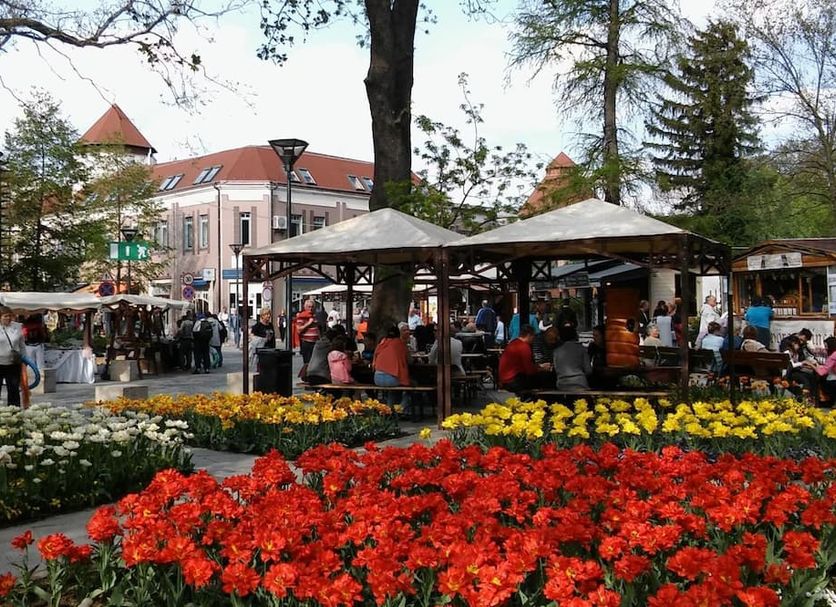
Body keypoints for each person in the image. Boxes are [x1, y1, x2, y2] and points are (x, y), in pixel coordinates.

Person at [498, 324, 548, 395]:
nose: (534, 338)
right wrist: (542, 369)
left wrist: (539, 366)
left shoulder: (513, 343)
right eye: (533, 336)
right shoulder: (524, 347)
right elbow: (529, 370)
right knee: (546, 378)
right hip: (514, 381)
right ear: (529, 335)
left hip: (505, 380)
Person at [372, 325, 411, 406]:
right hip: (392, 379)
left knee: (393, 389)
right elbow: (409, 360)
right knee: (409, 387)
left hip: (377, 378)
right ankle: (400, 409)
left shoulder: (382, 343)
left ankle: (389, 408)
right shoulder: (399, 343)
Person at [552, 323, 592, 391]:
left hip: (562, 385)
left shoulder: (556, 351)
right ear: (575, 335)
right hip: (580, 384)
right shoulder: (581, 349)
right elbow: (588, 370)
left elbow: (556, 370)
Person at [0, 306, 25, 407]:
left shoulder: (17, 326)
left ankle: (14, 411)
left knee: (13, 390)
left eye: (10, 316)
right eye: (5, 316)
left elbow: (22, 345)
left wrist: (24, 359)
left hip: (13, 363)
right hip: (0, 362)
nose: (8, 318)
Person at [782, 334, 819, 398]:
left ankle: (812, 395)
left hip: (796, 371)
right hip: (789, 374)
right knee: (805, 380)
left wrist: (806, 365)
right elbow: (790, 365)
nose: (799, 346)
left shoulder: (796, 353)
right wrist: (802, 363)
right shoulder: (787, 353)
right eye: (797, 344)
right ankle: (804, 395)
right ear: (792, 343)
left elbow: (798, 363)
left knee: (811, 376)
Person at [295, 299, 320, 364]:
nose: (310, 309)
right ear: (305, 307)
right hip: (306, 343)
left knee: (314, 362)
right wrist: (308, 323)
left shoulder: (314, 316)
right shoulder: (302, 316)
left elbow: (317, 328)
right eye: (309, 307)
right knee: (307, 363)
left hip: (315, 342)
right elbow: (299, 330)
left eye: (312, 307)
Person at [815, 336, 836, 402]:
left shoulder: (833, 356)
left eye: (826, 346)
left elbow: (822, 372)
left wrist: (812, 365)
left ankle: (826, 397)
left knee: (820, 378)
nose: (825, 348)